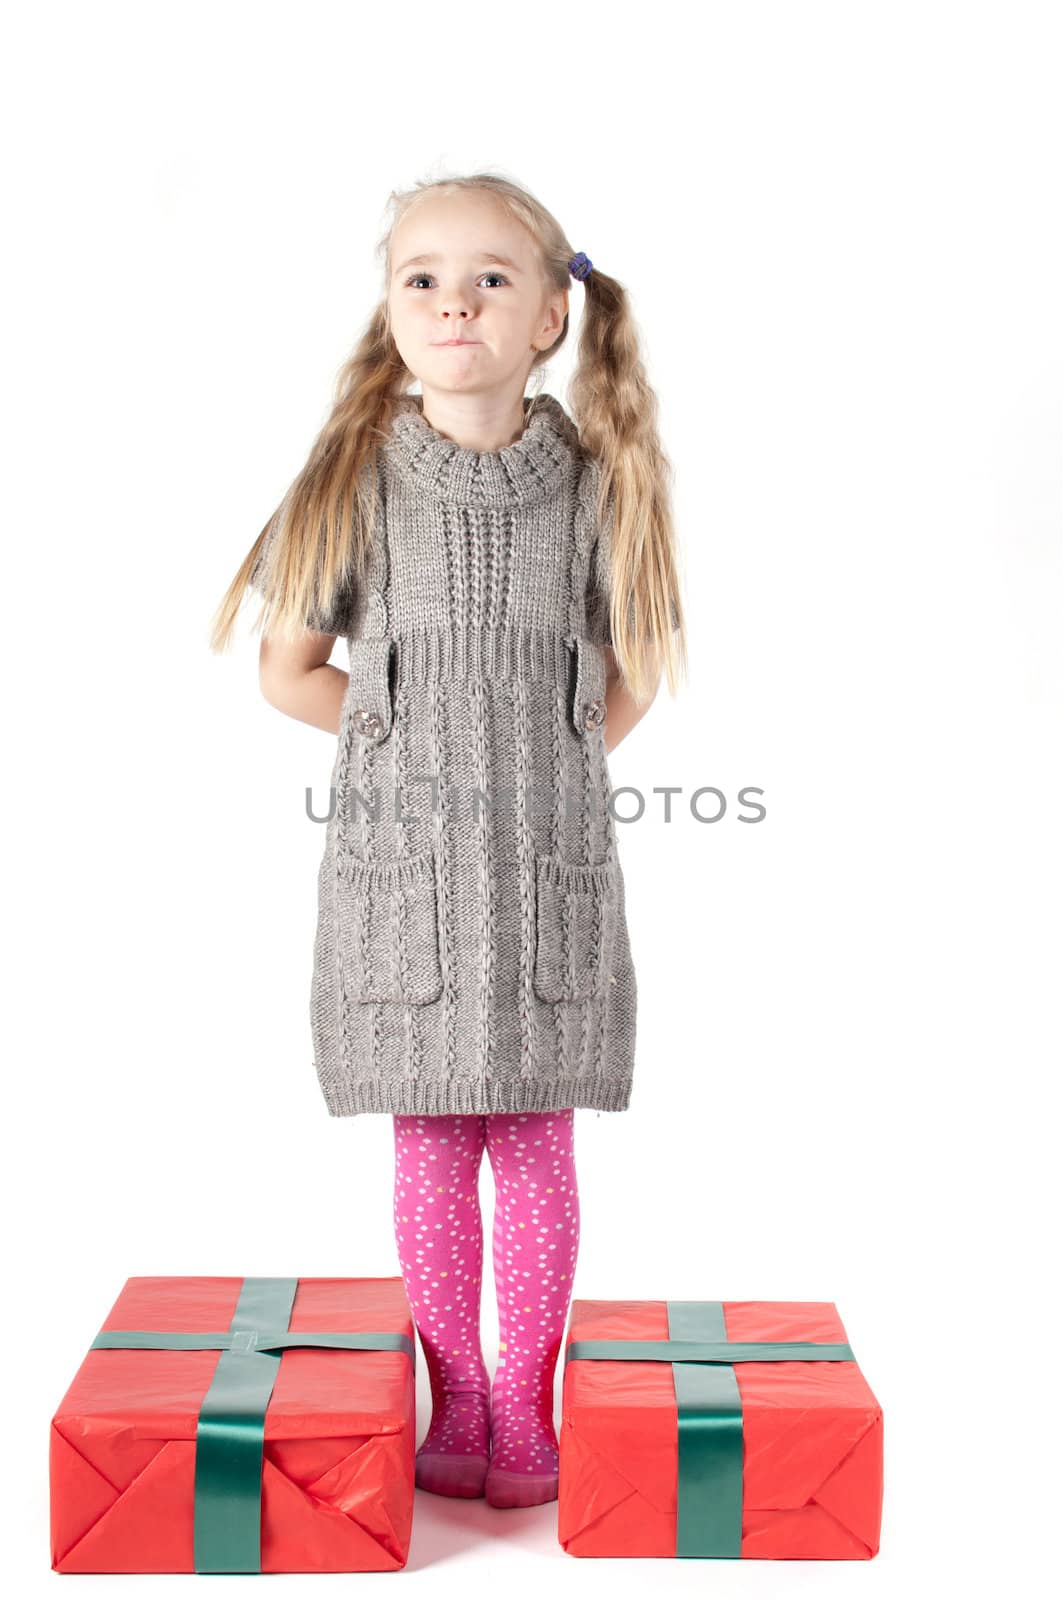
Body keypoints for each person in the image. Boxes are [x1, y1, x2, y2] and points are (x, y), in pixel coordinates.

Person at [210, 172, 685, 1510]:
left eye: (487, 276)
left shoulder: (600, 486)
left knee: (536, 1143)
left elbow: (631, 672)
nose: (451, 299)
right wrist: (411, 749)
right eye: (420, 275)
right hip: (401, 878)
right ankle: (457, 1403)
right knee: (429, 1147)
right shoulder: (355, 482)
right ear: (391, 309)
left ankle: (525, 1414)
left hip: (547, 875)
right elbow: (291, 669)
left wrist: (544, 762)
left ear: (548, 317)